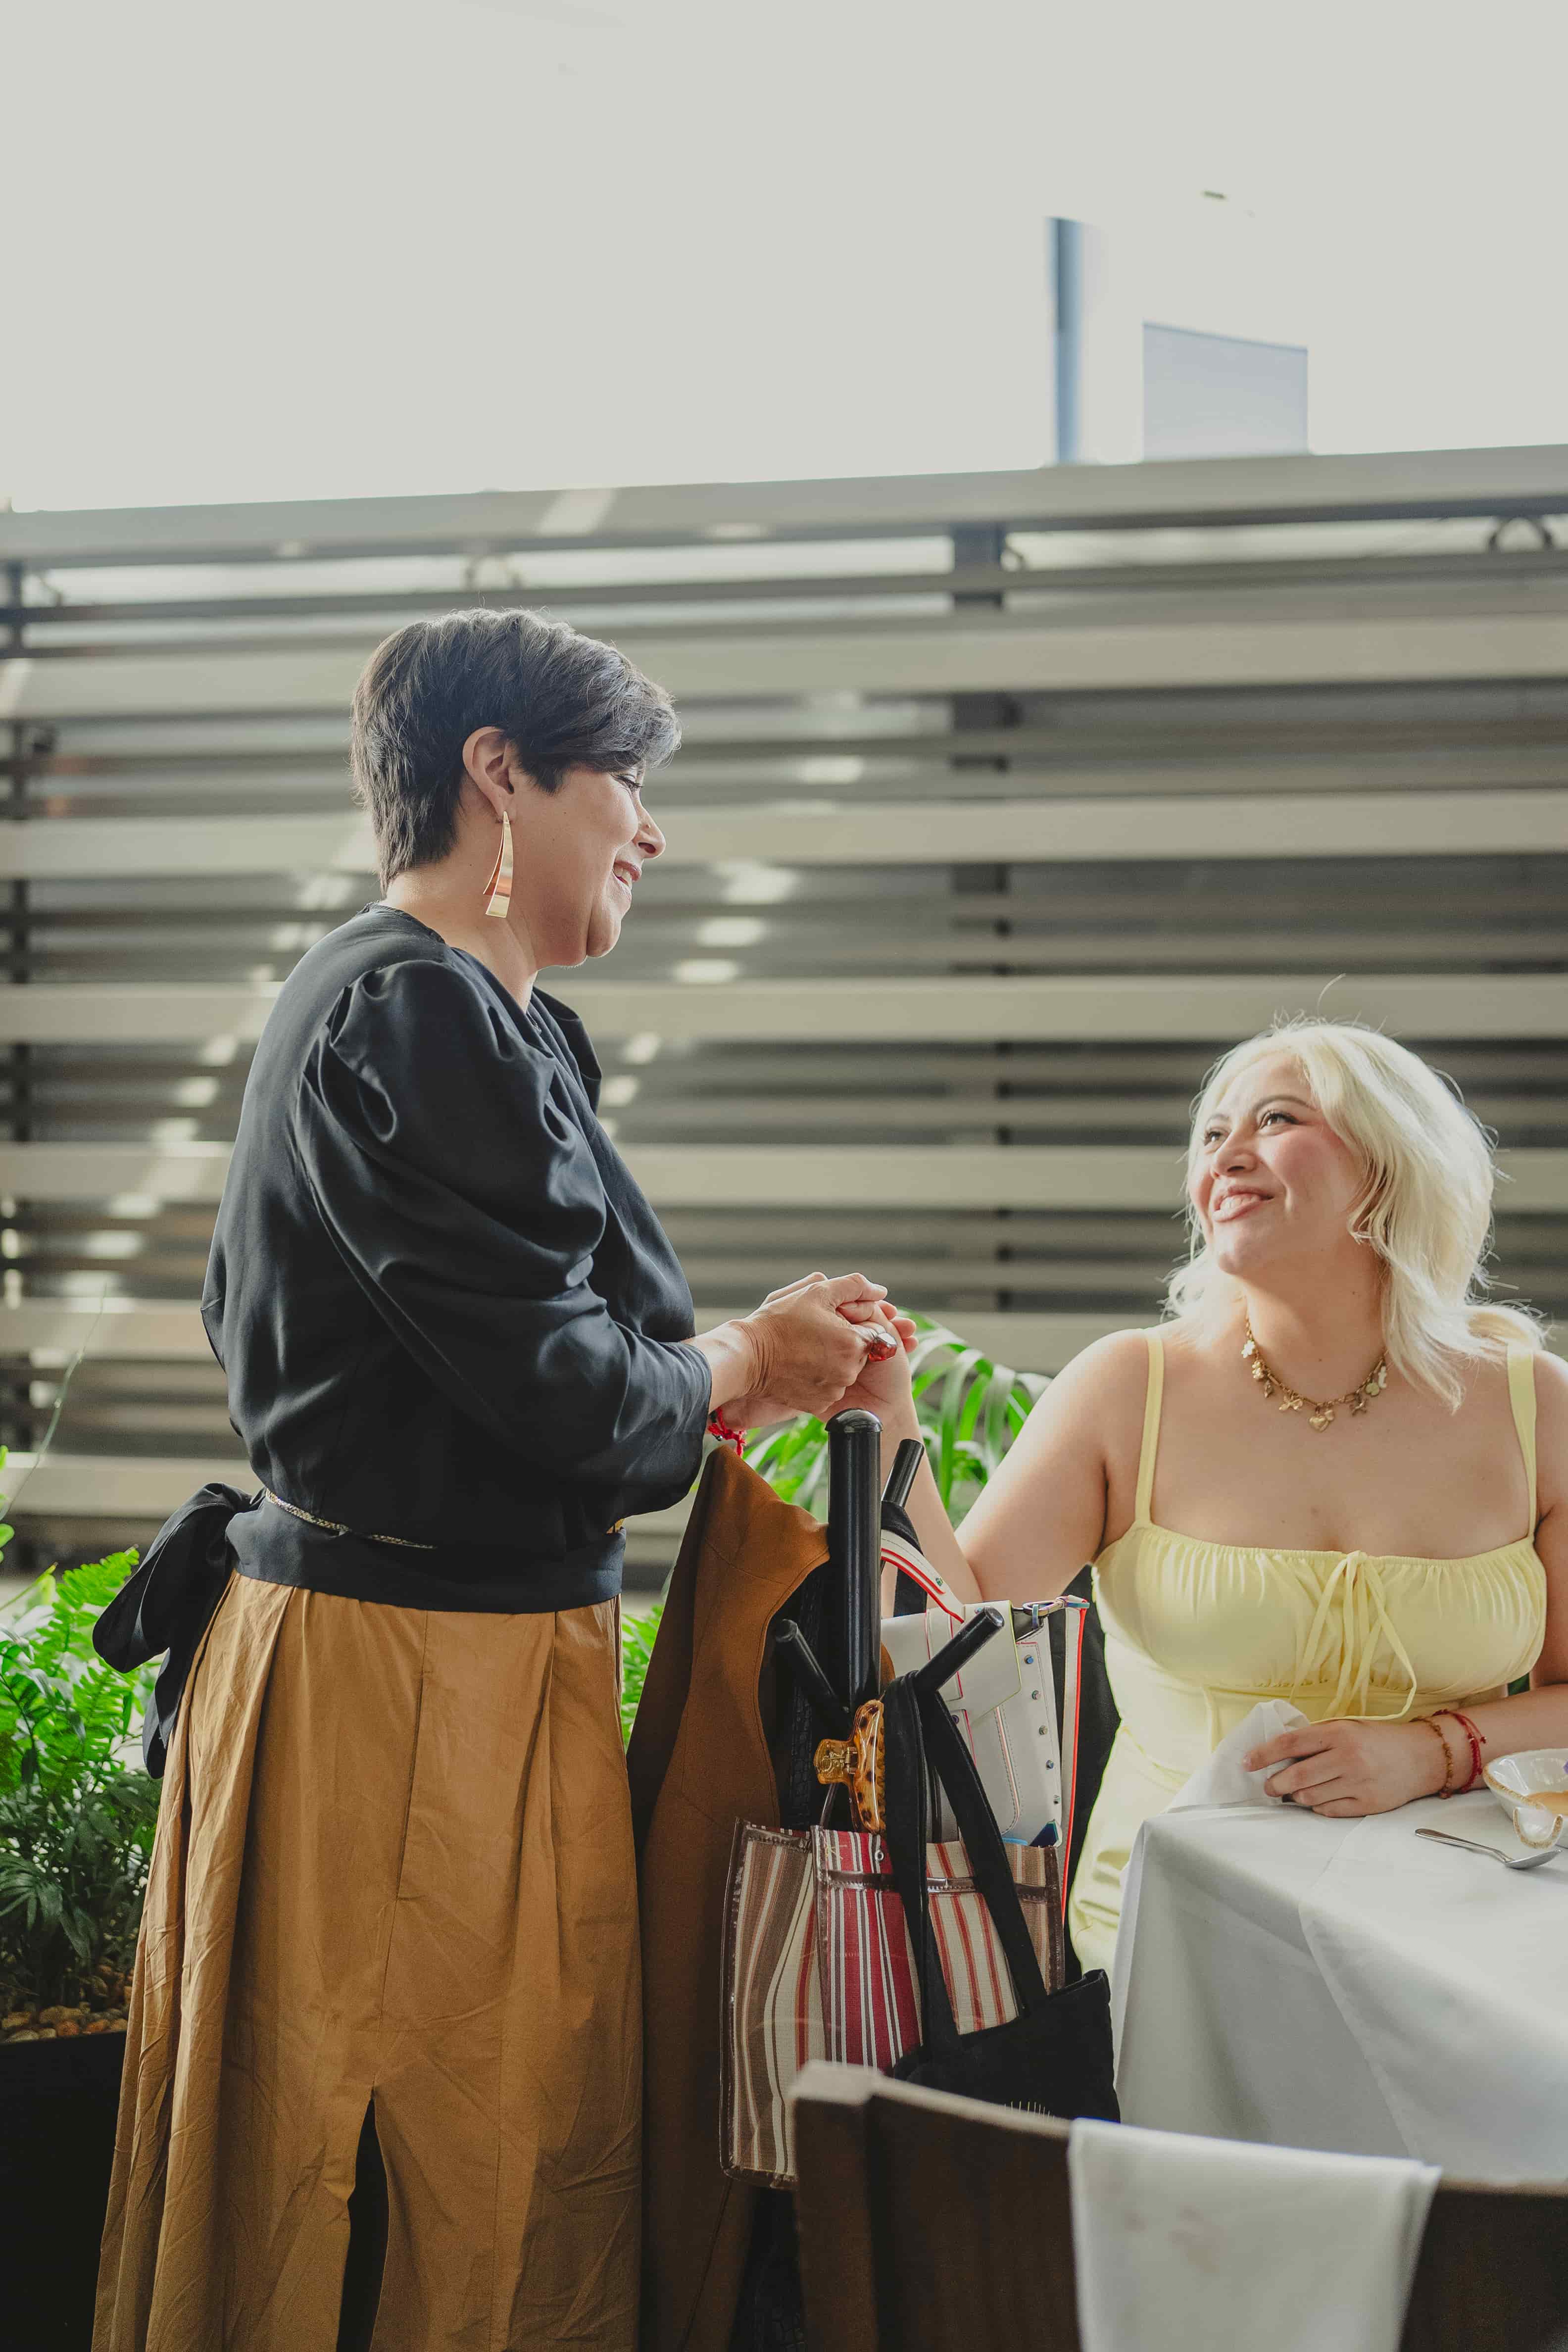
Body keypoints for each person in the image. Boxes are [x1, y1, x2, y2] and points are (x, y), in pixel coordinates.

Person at [93, 609, 911, 2352]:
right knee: (423, 2171)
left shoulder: (455, 1005)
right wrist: (741, 1367)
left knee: (471, 2157)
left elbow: (536, 1369)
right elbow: (567, 1397)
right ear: (494, 773)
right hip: (401, 1689)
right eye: (619, 777)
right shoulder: (419, 1009)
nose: (649, 824)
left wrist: (737, 1368)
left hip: (417, 1660)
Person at [850, 1019, 1568, 1976]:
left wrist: (1432, 1753)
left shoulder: (1534, 1403)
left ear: (1392, 1167)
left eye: (1276, 1119)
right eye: (1211, 1134)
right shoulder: (1127, 1388)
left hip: (1463, 1935)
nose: (1227, 1153)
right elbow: (960, 1617)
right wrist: (888, 1412)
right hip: (1176, 1933)